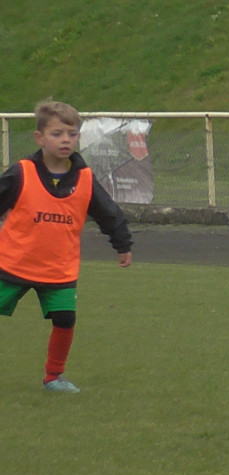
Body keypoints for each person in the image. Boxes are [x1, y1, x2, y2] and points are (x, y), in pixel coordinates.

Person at [0, 100, 133, 393]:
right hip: (12, 263)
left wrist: (122, 243)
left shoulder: (84, 178)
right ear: (40, 138)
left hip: (58, 269)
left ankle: (53, 377)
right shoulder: (22, 172)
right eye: (57, 133)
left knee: (65, 318)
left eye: (71, 134)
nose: (65, 140)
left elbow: (107, 212)